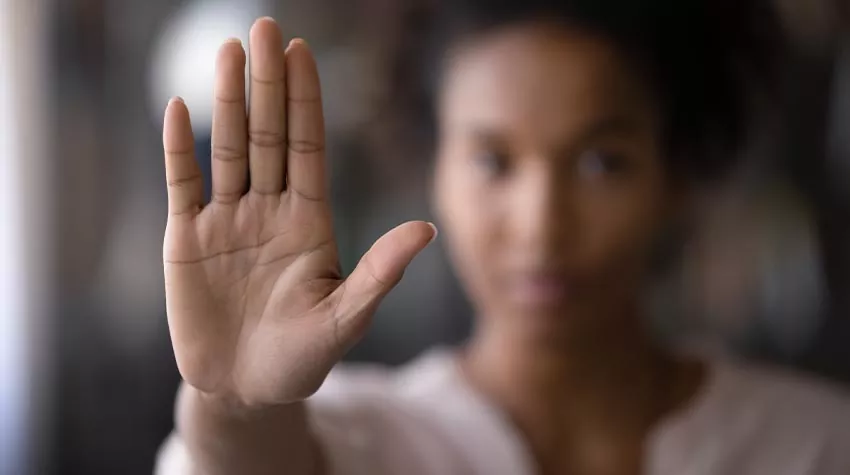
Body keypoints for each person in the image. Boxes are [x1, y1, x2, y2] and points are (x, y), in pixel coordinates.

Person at [155, 1, 850, 474]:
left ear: (677, 173)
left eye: (601, 161)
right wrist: (235, 400)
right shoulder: (364, 437)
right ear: (434, 170)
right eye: (493, 161)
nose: (541, 224)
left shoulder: (811, 445)